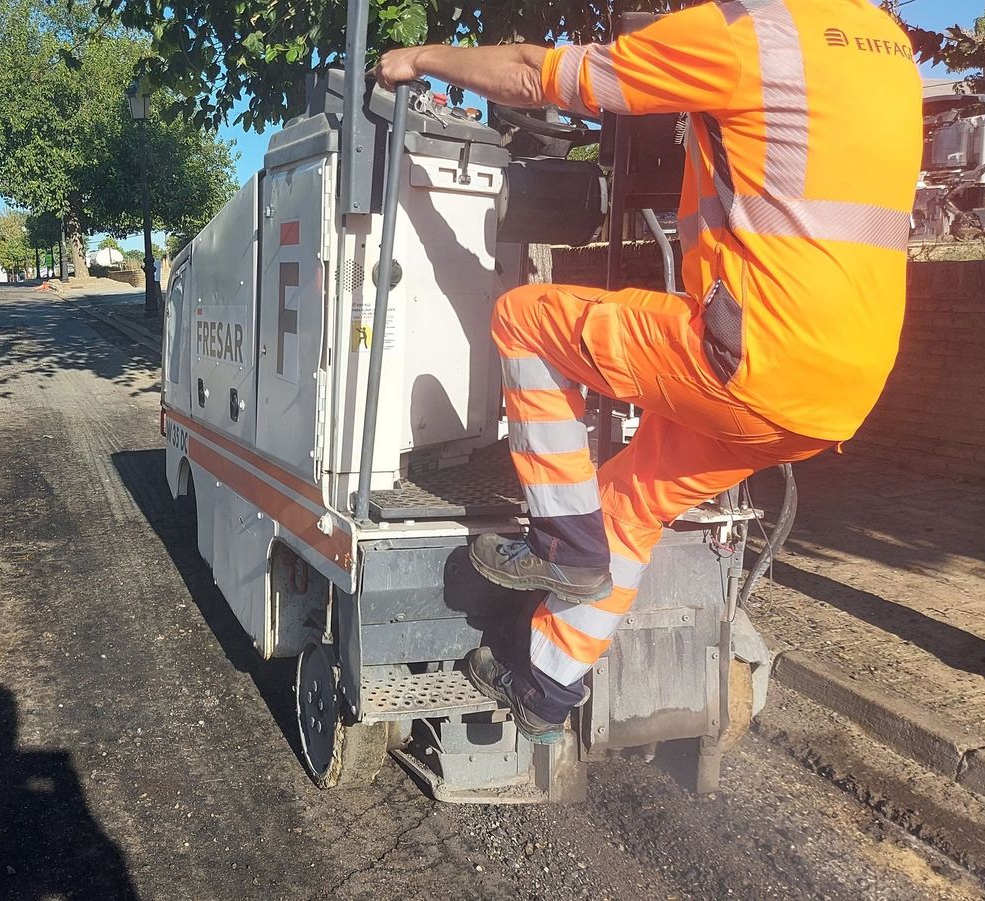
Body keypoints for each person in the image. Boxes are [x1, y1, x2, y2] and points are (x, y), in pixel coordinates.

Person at [376, 0, 921, 741]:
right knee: (631, 501)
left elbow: (534, 74)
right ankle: (543, 682)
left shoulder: (748, 32)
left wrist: (422, 58)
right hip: (844, 388)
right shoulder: (885, 44)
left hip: (751, 356)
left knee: (525, 319)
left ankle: (563, 544)